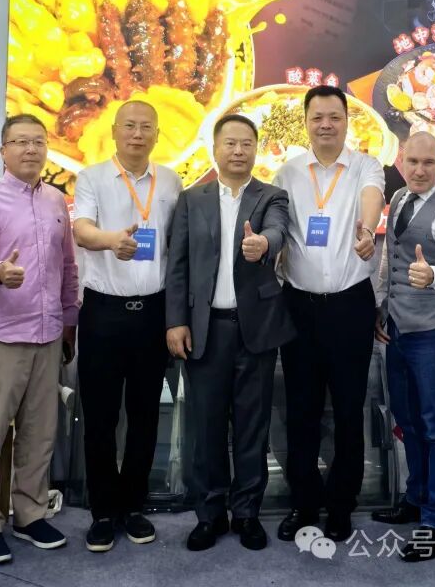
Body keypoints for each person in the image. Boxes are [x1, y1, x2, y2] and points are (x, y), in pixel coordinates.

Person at [166, 114, 295, 552]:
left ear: (256, 149)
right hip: (205, 330)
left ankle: (246, 513)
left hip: (254, 331)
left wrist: (263, 244)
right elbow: (177, 264)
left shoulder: (272, 195)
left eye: (246, 144)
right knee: (206, 428)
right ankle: (209, 514)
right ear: (215, 149)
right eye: (230, 143)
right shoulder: (191, 199)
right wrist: (175, 321)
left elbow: (277, 231)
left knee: (251, 428)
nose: (239, 151)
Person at [0, 114, 79, 565]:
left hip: (48, 336)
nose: (31, 149)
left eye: (38, 142)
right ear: (3, 150)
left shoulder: (56, 200)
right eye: (20, 142)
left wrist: (69, 322)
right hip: (0, 337)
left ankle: (29, 515)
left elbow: (68, 266)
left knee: (39, 435)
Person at [272, 85, 386, 543]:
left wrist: (366, 231)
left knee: (348, 410)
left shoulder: (365, 165)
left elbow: (372, 197)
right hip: (299, 307)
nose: (325, 124)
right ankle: (304, 502)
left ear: (346, 121)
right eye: (317, 117)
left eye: (334, 117)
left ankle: (341, 504)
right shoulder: (287, 172)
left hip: (349, 306)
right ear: (305, 122)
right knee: (300, 410)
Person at [71, 100, 181, 552]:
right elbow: (81, 230)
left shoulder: (171, 181)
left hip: (153, 313)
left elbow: (177, 246)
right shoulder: (92, 177)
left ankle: (133, 506)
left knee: (144, 414)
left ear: (157, 134)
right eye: (129, 126)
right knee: (99, 417)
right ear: (114, 131)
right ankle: (102, 511)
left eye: (146, 127)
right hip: (103, 312)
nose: (137, 134)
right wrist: (110, 240)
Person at [372, 132, 435, 562]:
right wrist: (381, 306)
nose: (419, 170)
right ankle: (415, 498)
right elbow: (388, 257)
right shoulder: (397, 198)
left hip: (431, 332)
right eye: (412, 161)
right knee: (406, 420)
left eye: (428, 162)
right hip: (396, 327)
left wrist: (433, 276)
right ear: (401, 161)